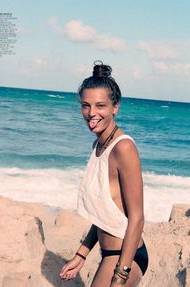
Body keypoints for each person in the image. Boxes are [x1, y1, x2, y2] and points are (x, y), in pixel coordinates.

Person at [60, 61, 148, 286]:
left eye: (100, 105)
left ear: (115, 107)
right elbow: (104, 214)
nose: (91, 113)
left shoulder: (123, 148)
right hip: (109, 253)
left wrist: (120, 276)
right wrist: (81, 255)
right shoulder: (98, 146)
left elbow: (137, 218)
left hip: (126, 256)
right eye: (85, 105)